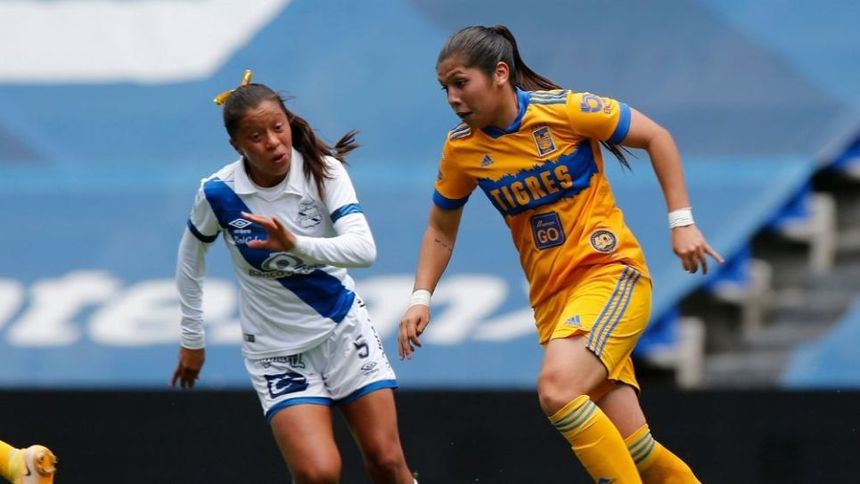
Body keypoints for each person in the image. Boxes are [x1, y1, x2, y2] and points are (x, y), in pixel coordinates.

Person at [397, 25, 723, 483]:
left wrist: (682, 221)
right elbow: (440, 228)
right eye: (445, 88)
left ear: (500, 74)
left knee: (556, 389)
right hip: (553, 302)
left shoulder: (566, 110)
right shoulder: (462, 149)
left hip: (610, 274)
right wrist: (421, 297)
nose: (452, 98)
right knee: (640, 454)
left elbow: (657, 137)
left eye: (460, 82)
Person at [172, 70, 416, 484]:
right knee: (319, 473)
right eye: (256, 136)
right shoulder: (218, 194)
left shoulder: (324, 172)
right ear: (236, 145)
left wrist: (295, 244)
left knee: (387, 462)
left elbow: (364, 250)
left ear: (289, 123)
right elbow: (190, 259)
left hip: (342, 330)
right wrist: (192, 339)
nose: (272, 142)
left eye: (278, 128)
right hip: (275, 351)